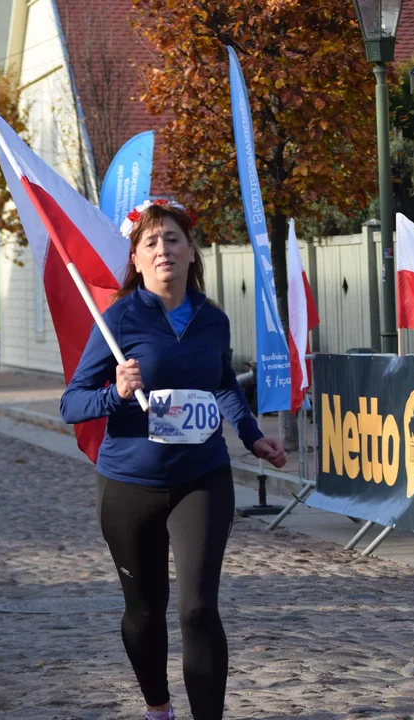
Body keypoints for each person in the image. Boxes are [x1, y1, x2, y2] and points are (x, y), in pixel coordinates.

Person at [60, 200, 287, 720]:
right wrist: (114, 394)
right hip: (129, 484)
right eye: (151, 242)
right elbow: (72, 402)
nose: (164, 249)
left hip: (201, 478)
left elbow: (224, 383)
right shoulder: (118, 319)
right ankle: (158, 707)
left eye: (173, 239)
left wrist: (253, 436)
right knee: (144, 612)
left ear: (191, 252)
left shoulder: (213, 320)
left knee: (198, 608)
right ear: (137, 259)